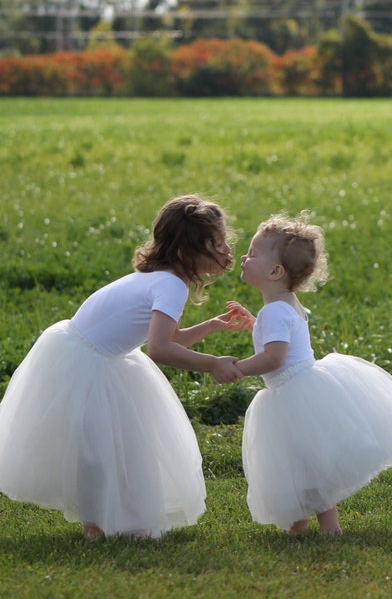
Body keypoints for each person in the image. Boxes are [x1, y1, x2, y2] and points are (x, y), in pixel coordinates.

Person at [0, 194, 252, 539]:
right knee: (102, 447)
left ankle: (105, 521)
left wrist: (211, 326)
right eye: (217, 244)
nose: (227, 251)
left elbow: (163, 337)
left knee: (109, 445)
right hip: (89, 363)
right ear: (185, 251)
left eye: (226, 242)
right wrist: (212, 364)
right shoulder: (171, 285)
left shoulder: (159, 277)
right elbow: (160, 349)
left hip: (83, 352)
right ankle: (99, 524)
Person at [227, 213, 392, 536]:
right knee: (307, 465)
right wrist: (255, 324)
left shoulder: (276, 311)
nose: (244, 257)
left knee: (305, 466)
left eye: (252, 254)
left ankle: (326, 527)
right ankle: (303, 524)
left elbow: (274, 356)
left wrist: (237, 368)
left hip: (292, 395)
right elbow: (283, 340)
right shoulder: (284, 305)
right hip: (302, 388)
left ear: (275, 271)